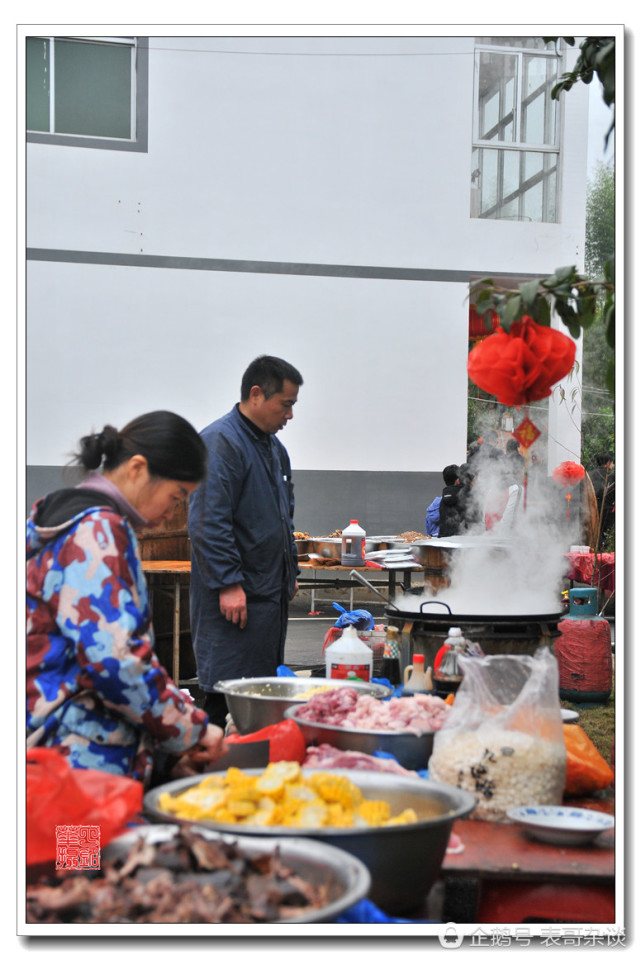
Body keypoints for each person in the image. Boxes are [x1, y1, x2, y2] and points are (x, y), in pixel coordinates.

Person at [26, 411, 227, 785]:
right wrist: (192, 729)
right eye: (175, 497)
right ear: (137, 468)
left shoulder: (65, 516)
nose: (171, 516)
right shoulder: (97, 532)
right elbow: (115, 661)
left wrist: (162, 761)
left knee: (77, 846)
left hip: (65, 753)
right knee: (78, 846)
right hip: (73, 768)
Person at [189, 356, 303, 728]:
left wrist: (291, 570)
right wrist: (227, 582)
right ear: (256, 395)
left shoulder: (274, 449)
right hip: (235, 600)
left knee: (259, 694)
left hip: (268, 595)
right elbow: (209, 520)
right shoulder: (220, 443)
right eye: (285, 405)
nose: (289, 416)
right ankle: (214, 768)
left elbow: (284, 517)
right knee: (228, 697)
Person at [589, 453, 615, 547]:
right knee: (606, 533)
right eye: (612, 463)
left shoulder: (589, 475)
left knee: (594, 533)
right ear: (608, 463)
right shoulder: (612, 476)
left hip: (592, 509)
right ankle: (604, 552)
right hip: (608, 510)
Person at [438, 464, 461, 538]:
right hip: (460, 543)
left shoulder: (442, 500)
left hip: (443, 542)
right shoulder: (463, 498)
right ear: (457, 481)